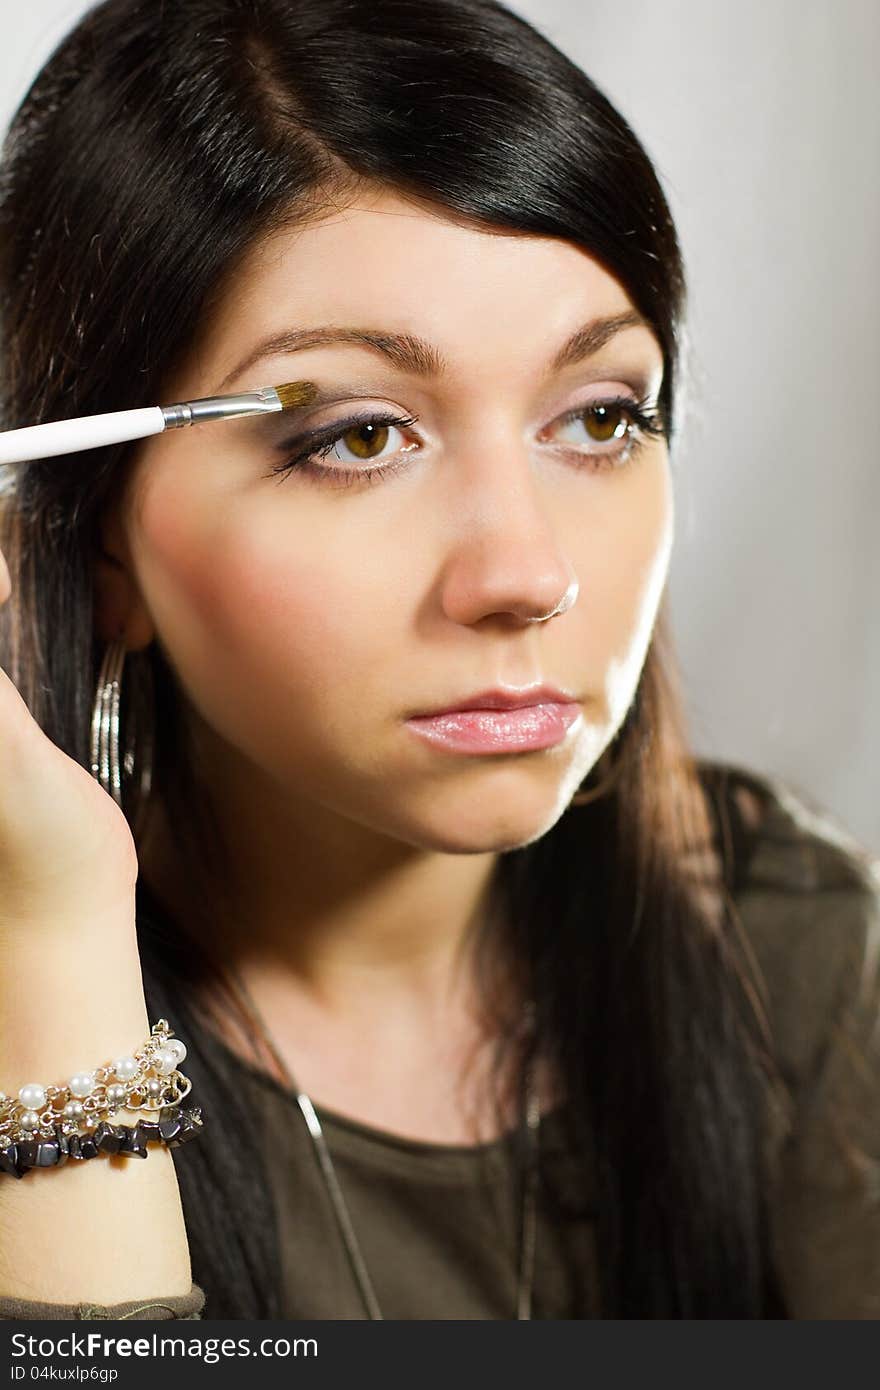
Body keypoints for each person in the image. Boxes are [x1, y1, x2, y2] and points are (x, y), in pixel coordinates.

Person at [0, 0, 877, 1322]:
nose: (526, 574)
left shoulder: (789, 947)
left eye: (599, 415)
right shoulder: (31, 975)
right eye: (358, 437)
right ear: (99, 544)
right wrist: (52, 926)